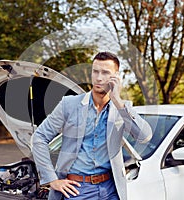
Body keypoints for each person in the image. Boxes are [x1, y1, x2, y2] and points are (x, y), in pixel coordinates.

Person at [32, 51, 152, 200]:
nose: (99, 78)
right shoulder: (69, 104)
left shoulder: (122, 108)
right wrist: (51, 179)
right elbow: (39, 137)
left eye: (105, 73)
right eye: (95, 71)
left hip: (110, 189)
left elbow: (144, 136)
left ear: (116, 76)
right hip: (77, 190)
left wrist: (118, 101)